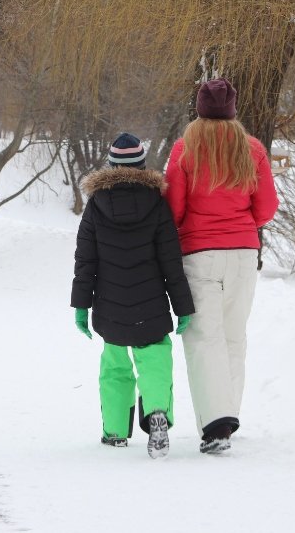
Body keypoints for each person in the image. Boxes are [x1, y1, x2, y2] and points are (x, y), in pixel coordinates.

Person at [163, 78, 279, 455]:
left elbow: (173, 210)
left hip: (200, 254)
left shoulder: (186, 149)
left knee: (203, 338)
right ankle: (227, 416)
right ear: (232, 110)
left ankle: (217, 422)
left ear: (199, 109)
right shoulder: (252, 149)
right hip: (244, 254)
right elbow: (266, 208)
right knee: (233, 336)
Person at [72, 133, 196, 458]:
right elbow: (171, 260)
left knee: (114, 366)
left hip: (110, 306)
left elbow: (86, 260)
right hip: (151, 302)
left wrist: (81, 306)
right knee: (154, 359)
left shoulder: (95, 206)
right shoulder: (157, 203)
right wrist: (182, 307)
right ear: (142, 164)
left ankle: (114, 431)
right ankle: (156, 413)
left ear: (111, 165)